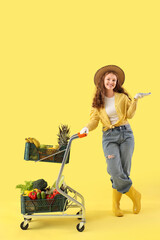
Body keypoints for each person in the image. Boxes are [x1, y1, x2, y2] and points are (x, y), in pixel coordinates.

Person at [80, 65, 151, 217]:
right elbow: (94, 120)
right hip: (109, 137)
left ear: (116, 82)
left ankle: (116, 205)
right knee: (114, 169)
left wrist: (136, 100)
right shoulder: (97, 100)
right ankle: (134, 195)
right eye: (108, 79)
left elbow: (129, 115)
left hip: (126, 134)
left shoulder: (122, 97)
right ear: (103, 81)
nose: (111, 82)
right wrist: (86, 128)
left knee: (124, 171)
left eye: (114, 80)